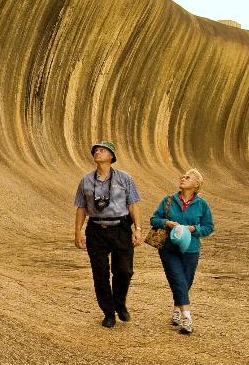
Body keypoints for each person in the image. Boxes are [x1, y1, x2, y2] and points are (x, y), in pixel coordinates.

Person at [73, 141, 142, 328]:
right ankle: (108, 312)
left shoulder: (124, 178)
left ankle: (120, 303)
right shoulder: (86, 180)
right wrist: (78, 231)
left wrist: (137, 228)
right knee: (100, 273)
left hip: (120, 228)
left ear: (111, 156)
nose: (97, 152)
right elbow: (81, 207)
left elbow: (133, 204)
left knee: (124, 271)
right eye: (95, 150)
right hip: (96, 230)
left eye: (102, 150)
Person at [149, 168, 215, 334]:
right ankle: (187, 318)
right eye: (183, 176)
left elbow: (209, 227)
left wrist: (194, 229)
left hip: (191, 249)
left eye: (188, 177)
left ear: (196, 184)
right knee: (177, 279)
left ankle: (177, 311)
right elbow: (154, 219)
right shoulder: (169, 200)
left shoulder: (202, 204)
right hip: (169, 248)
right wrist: (167, 223)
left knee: (185, 282)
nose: (183, 178)